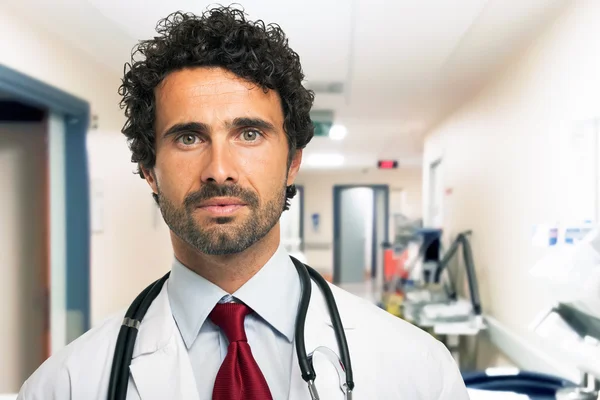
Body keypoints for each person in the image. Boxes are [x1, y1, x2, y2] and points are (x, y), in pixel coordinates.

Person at [18, 6, 469, 399]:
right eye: (189, 137)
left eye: (249, 134)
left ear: (292, 162)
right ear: (149, 171)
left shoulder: (420, 372)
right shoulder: (66, 386)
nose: (219, 168)